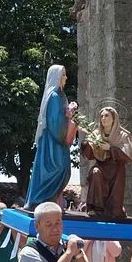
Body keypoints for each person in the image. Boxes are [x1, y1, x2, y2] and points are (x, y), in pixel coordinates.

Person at [25, 64, 78, 208]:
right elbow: (55, 122)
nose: (66, 78)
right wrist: (68, 115)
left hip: (59, 142)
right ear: (57, 77)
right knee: (58, 168)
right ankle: (40, 200)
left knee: (64, 170)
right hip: (53, 142)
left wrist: (69, 115)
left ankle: (50, 200)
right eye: (63, 75)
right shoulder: (54, 97)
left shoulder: (61, 95)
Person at [81, 107, 132, 219]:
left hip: (116, 171)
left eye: (107, 115)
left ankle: (114, 210)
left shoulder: (123, 135)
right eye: (101, 116)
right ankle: (96, 208)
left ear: (114, 118)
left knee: (114, 210)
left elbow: (128, 155)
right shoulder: (96, 134)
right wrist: (86, 143)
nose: (103, 118)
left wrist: (110, 148)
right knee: (95, 173)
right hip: (101, 167)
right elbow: (89, 155)